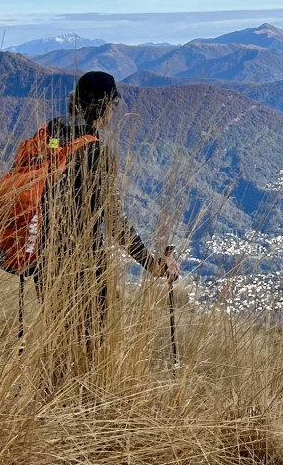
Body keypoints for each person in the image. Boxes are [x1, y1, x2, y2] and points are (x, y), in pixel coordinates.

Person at [35, 70, 178, 355]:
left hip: (44, 258)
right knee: (91, 345)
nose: (113, 113)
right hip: (84, 264)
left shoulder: (49, 133)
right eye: (113, 106)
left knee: (58, 340)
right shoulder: (97, 154)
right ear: (104, 107)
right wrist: (151, 264)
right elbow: (114, 221)